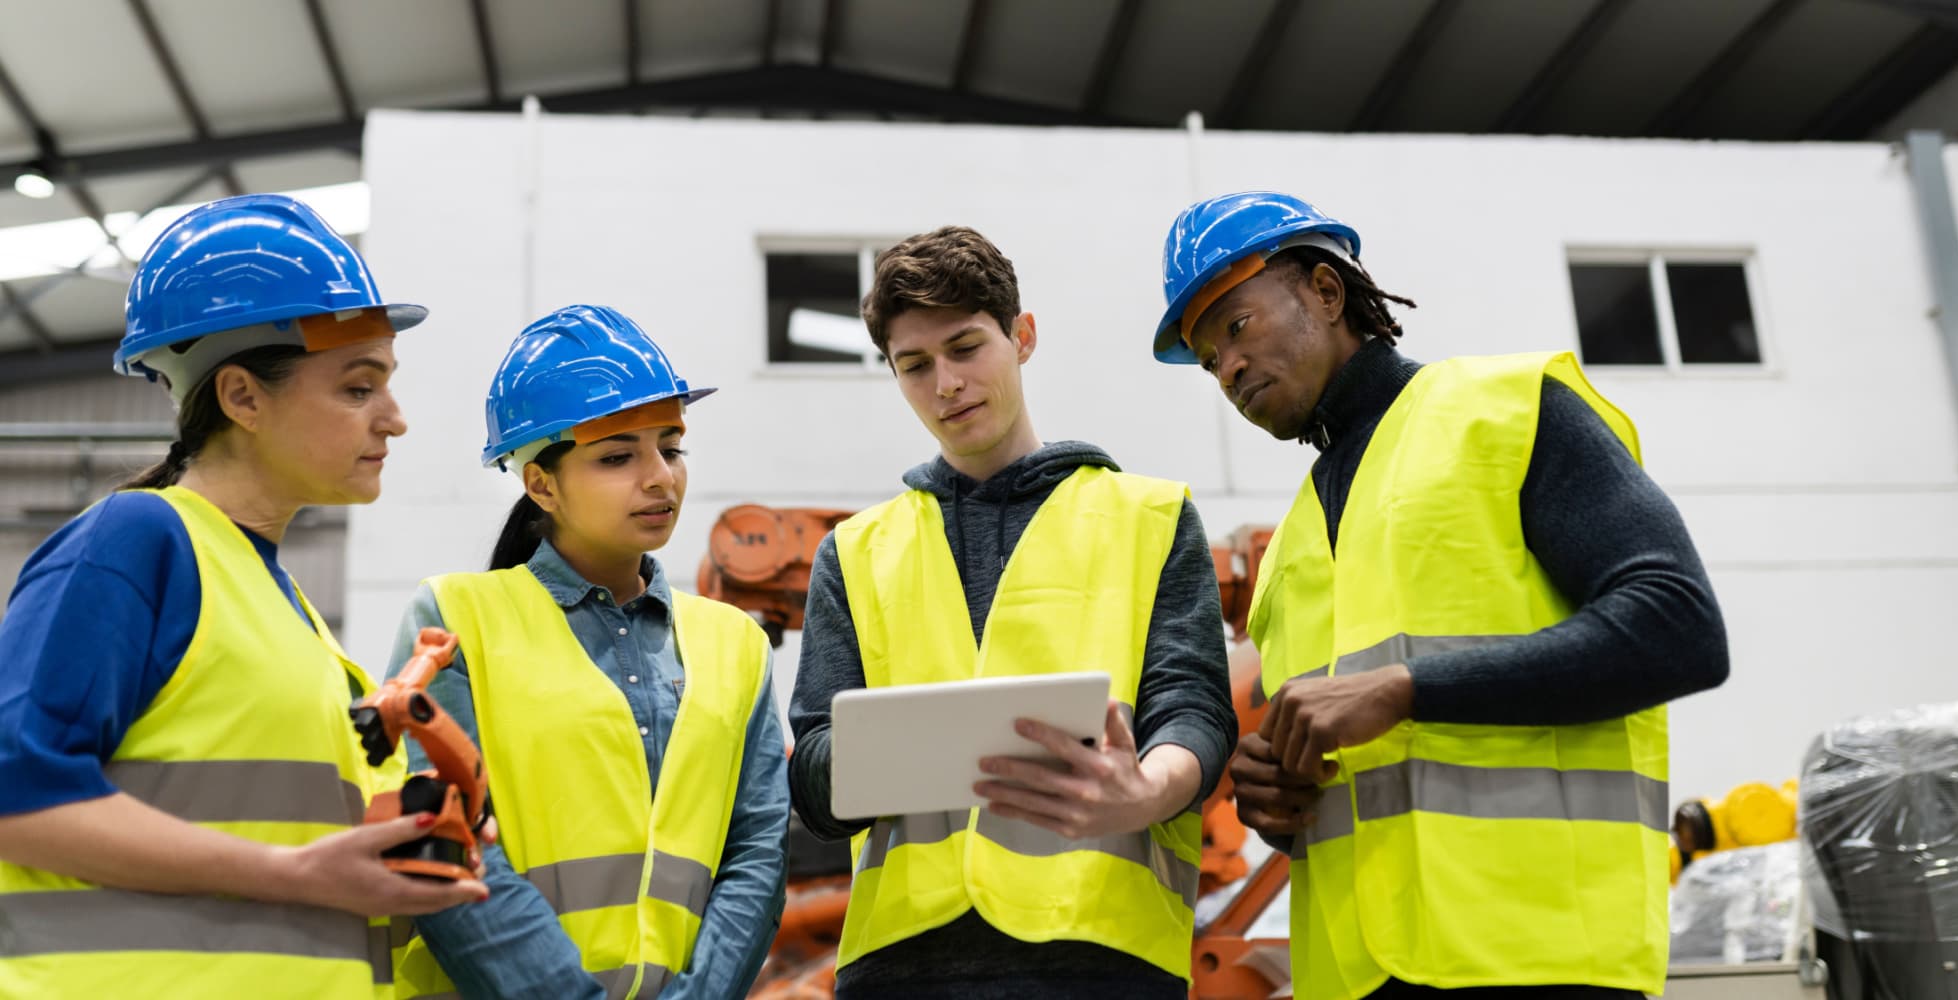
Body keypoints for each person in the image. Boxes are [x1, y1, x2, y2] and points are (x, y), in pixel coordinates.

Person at [1152, 191, 1731, 999]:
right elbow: (1371, 789)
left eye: (1238, 326)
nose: (1230, 368)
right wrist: (1274, 803)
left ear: (1325, 291)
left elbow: (1679, 629)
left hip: (1539, 961)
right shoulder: (1288, 551)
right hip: (1357, 976)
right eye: (1209, 358)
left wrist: (1404, 689)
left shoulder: (1505, 413)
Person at [0, 194, 487, 998]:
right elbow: (16, 792)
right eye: (359, 389)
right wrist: (294, 872)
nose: (394, 421)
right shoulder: (136, 541)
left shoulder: (285, 612)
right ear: (242, 398)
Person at [788, 226, 1236, 999]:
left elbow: (1192, 707)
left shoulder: (1151, 517)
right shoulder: (855, 553)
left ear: (1022, 336)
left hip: (1101, 955)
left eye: (966, 348)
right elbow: (817, 784)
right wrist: (890, 752)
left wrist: (1150, 789)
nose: (946, 384)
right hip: (902, 964)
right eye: (915, 365)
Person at [387, 304, 789, 1000]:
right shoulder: (455, 619)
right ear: (541, 483)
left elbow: (756, 853)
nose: (660, 475)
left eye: (671, 445)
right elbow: (444, 840)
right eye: (617, 456)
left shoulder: (737, 646)